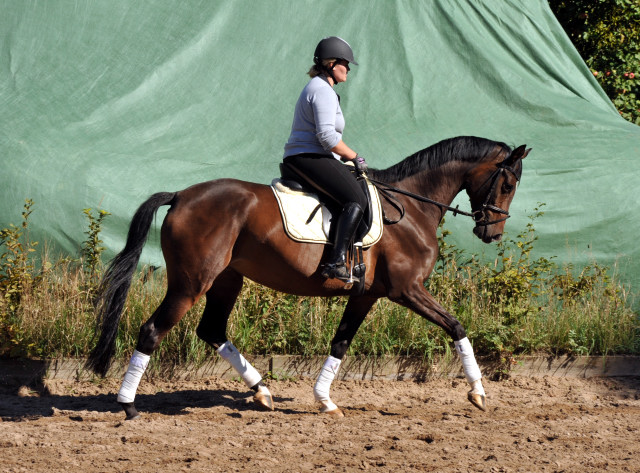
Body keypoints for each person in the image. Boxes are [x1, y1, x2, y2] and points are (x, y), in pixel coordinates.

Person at [283, 36, 368, 282]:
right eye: (345, 63)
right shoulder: (322, 90)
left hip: (309, 156)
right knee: (356, 198)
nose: (348, 68)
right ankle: (336, 262)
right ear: (331, 63)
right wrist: (355, 157)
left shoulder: (321, 88)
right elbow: (327, 136)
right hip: (309, 157)